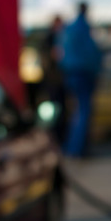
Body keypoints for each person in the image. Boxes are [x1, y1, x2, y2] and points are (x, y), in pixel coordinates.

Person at [59, 2, 101, 157]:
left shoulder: (69, 29)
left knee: (77, 112)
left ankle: (73, 147)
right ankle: (77, 148)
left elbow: (61, 54)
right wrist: (96, 71)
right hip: (83, 73)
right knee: (83, 111)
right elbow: (91, 54)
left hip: (71, 74)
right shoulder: (83, 28)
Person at [40, 15, 66, 144]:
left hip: (58, 81)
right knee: (55, 112)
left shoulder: (59, 38)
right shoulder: (50, 39)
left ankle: (59, 138)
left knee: (61, 111)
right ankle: (54, 138)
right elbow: (48, 61)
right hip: (53, 81)